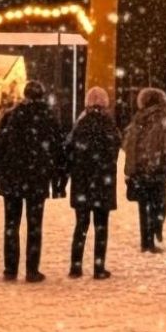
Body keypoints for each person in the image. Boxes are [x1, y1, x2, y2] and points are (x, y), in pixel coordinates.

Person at [0, 80, 65, 283]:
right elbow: (57, 149)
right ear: (42, 95)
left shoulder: (11, 115)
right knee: (34, 225)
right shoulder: (48, 117)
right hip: (37, 178)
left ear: (25, 94)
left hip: (12, 176)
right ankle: (32, 270)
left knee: (11, 224)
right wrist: (58, 178)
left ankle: (10, 269)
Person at [62, 87, 122, 279]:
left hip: (82, 182)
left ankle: (75, 266)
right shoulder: (109, 125)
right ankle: (99, 268)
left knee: (81, 225)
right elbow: (115, 149)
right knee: (101, 227)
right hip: (103, 183)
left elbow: (68, 150)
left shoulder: (80, 124)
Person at [123, 87, 166, 253]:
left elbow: (129, 146)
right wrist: (164, 163)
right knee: (159, 203)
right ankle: (155, 229)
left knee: (144, 206)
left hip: (140, 170)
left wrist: (130, 170)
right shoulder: (163, 118)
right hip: (156, 169)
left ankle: (146, 241)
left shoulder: (137, 119)